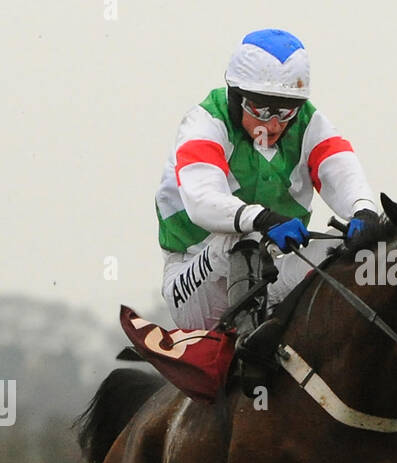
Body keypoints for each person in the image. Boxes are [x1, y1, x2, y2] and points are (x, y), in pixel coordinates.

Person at [154, 29, 380, 392]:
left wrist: (364, 213)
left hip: (272, 271)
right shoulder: (204, 124)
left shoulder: (309, 123)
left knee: (355, 249)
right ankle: (249, 354)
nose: (274, 124)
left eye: (285, 111)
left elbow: (342, 172)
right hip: (195, 280)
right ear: (235, 96)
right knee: (241, 238)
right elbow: (201, 201)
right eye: (261, 109)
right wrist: (261, 219)